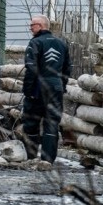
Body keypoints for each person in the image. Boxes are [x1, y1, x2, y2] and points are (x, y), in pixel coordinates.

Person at [21, 15, 70, 165]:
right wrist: (61, 85)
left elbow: (31, 68)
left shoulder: (35, 43)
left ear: (41, 26)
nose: (30, 28)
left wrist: (28, 90)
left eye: (32, 25)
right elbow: (67, 68)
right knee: (52, 123)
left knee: (31, 122)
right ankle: (48, 160)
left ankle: (31, 156)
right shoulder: (62, 44)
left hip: (38, 87)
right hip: (55, 87)